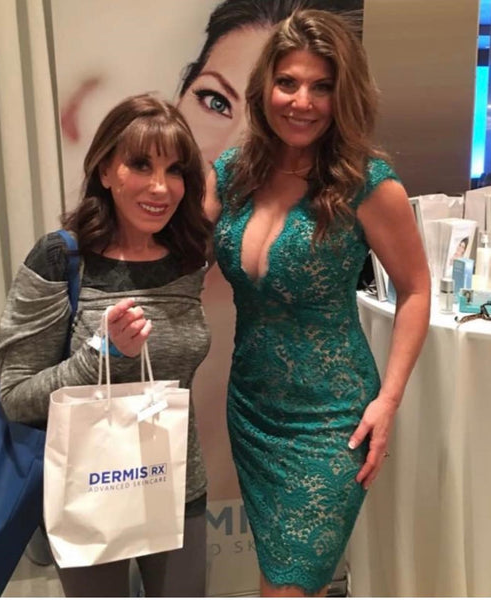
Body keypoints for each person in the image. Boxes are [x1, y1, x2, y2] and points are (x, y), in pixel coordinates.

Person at [205, 9, 431, 597]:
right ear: (265, 88)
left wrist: (388, 401)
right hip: (252, 406)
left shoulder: (368, 184)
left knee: (291, 585)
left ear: (342, 95)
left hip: (331, 421)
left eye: (321, 86)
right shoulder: (233, 173)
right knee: (276, 578)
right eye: (288, 82)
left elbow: (416, 290)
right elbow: (175, 249)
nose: (301, 101)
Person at [0, 93, 212, 597]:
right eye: (141, 165)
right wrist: (102, 355)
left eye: (175, 170)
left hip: (177, 485)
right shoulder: (62, 259)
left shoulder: (189, 257)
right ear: (106, 170)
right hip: (89, 489)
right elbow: (16, 397)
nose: (160, 187)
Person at [177, 0, 363, 172]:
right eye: (217, 103)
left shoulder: (367, 184)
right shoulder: (221, 181)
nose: (228, 156)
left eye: (321, 87)